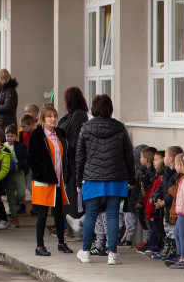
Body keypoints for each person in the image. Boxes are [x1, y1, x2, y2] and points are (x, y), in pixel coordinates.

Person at [73, 94, 134, 266]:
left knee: (91, 213)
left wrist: (78, 182)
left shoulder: (86, 128)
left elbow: (80, 157)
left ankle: (85, 252)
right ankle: (112, 253)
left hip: (92, 177)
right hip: (117, 176)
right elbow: (128, 155)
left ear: (94, 108)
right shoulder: (120, 127)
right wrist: (131, 178)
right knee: (113, 214)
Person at [27, 105, 73, 256]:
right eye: (49, 117)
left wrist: (67, 172)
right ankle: (39, 246)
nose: (52, 119)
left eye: (54, 116)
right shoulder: (37, 135)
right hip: (44, 180)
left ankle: (61, 243)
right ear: (43, 119)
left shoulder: (60, 133)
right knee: (42, 213)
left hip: (59, 180)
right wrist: (43, 174)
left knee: (59, 213)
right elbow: (32, 159)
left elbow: (65, 156)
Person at [58, 87, 89, 229]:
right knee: (68, 194)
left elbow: (77, 139)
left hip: (73, 160)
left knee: (73, 193)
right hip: (67, 160)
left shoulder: (78, 115)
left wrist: (67, 152)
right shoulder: (72, 114)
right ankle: (68, 225)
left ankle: (75, 226)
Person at [3, 126, 26, 227]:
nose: (9, 138)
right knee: (10, 196)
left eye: (12, 136)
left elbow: (26, 159)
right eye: (8, 136)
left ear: (16, 136)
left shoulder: (20, 146)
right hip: (7, 174)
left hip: (18, 172)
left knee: (21, 193)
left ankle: (15, 204)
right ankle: (14, 217)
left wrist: (18, 165)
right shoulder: (3, 146)